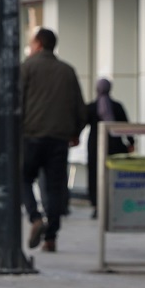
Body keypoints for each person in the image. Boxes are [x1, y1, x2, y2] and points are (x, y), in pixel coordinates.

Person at [19, 28, 86, 252]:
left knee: (23, 178)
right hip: (59, 139)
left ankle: (35, 217)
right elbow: (80, 107)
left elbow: (16, 103)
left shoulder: (27, 68)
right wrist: (75, 133)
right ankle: (51, 238)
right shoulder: (67, 71)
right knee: (55, 187)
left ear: (38, 44)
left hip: (31, 136)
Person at [83, 77, 131, 216]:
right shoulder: (117, 106)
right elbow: (126, 126)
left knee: (95, 175)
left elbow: (80, 124)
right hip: (115, 145)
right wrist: (131, 142)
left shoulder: (91, 107)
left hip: (95, 145)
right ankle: (116, 203)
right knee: (114, 174)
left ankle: (97, 205)